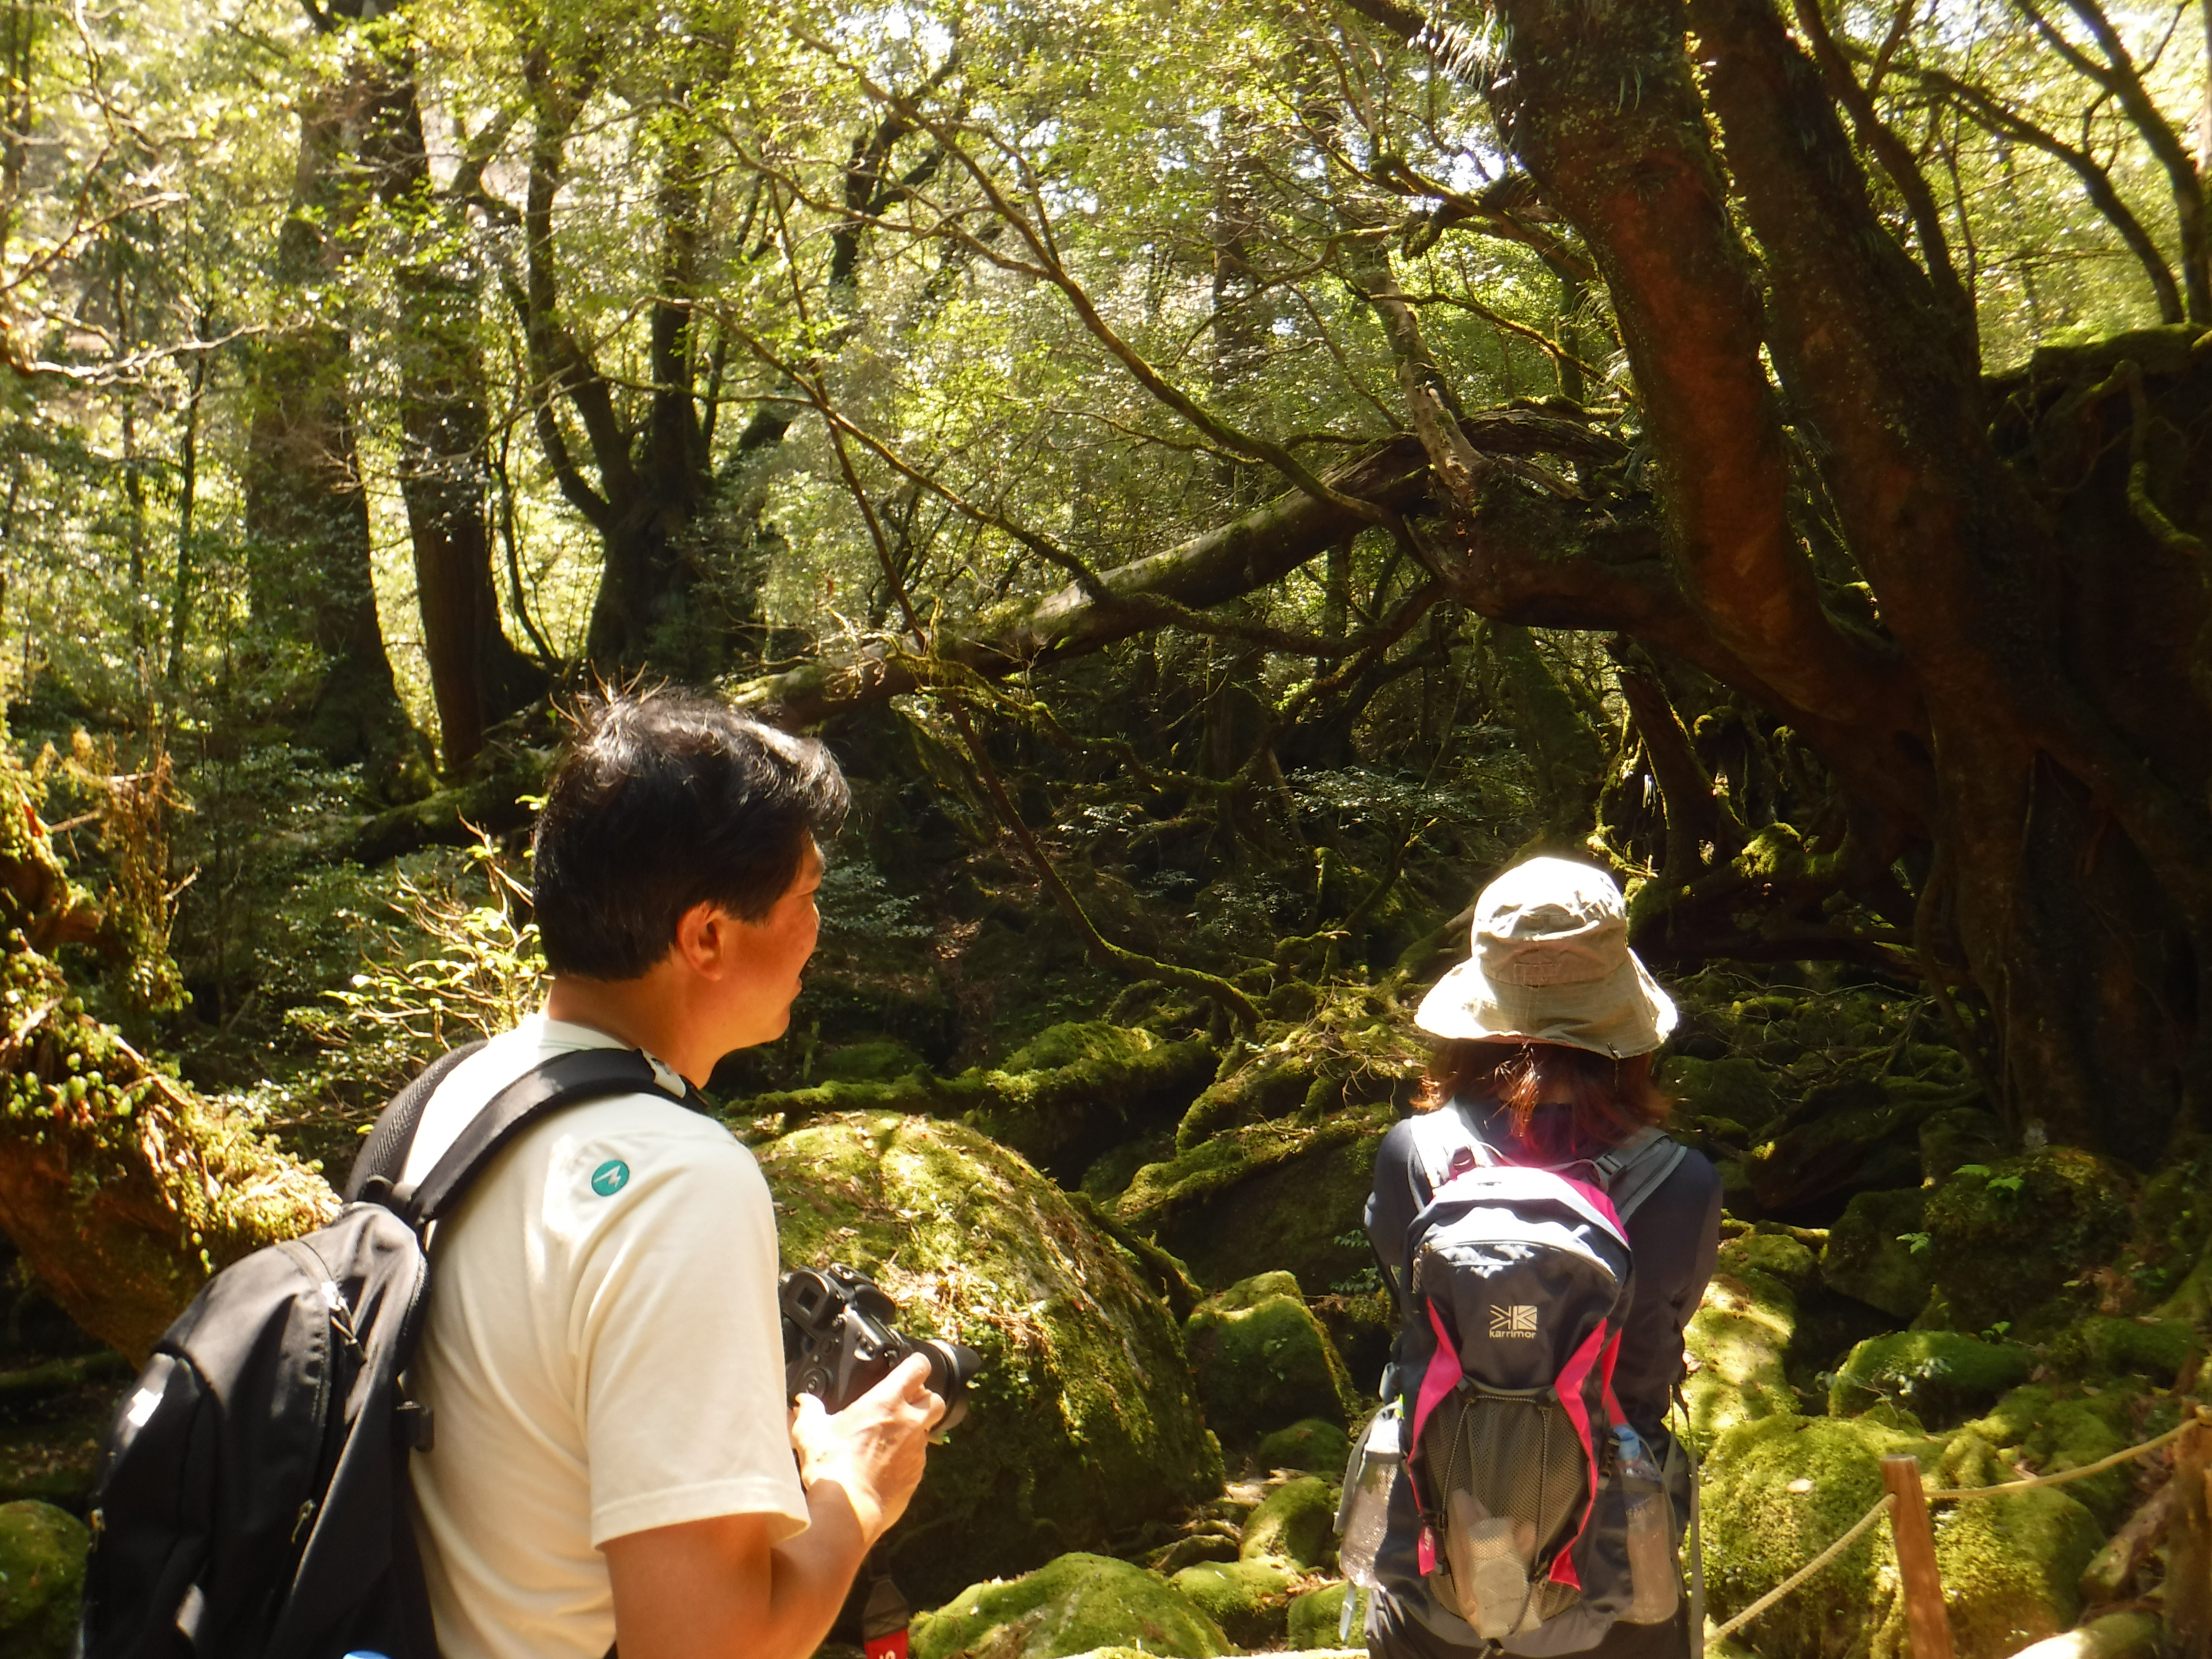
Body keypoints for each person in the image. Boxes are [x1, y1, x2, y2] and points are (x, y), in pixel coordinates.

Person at [391, 688, 944, 1659]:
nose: (820, 931)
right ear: (706, 936)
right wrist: (857, 1488)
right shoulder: (682, 1183)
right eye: (807, 898)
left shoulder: (447, 1100)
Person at [1361, 856, 1722, 1659]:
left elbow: (1404, 1289)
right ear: (1623, 1021)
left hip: (1434, 1565)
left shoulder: (1411, 1157)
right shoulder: (1682, 1182)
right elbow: (1668, 1317)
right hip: (1619, 1578)